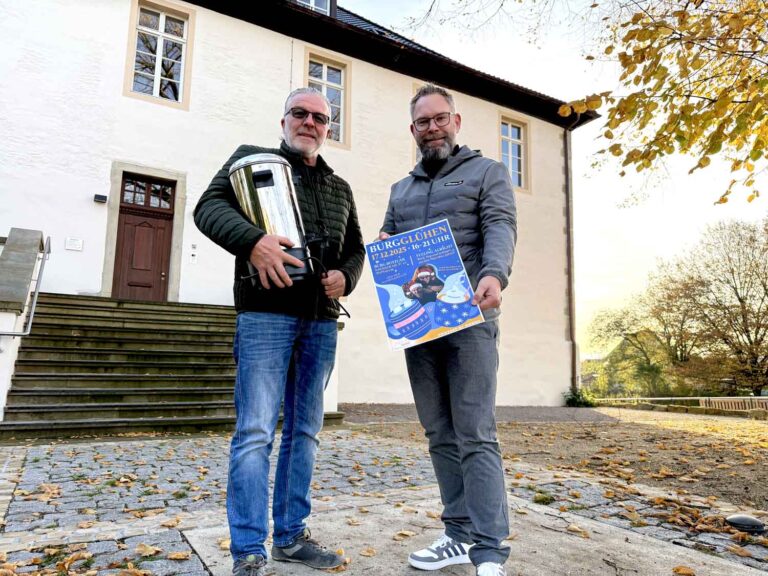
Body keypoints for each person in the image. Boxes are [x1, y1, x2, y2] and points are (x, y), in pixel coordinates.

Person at [194, 87, 365, 576]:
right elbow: (207, 209)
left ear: (327, 129)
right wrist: (253, 242)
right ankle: (249, 549)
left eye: (320, 118)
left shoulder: (340, 188)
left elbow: (356, 249)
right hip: (265, 315)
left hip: (320, 321)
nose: (310, 123)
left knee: (305, 432)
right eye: (300, 113)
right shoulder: (251, 161)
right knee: (254, 433)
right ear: (284, 119)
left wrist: (346, 277)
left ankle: (291, 537)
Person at [380, 84, 517, 576]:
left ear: (456, 123)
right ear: (413, 130)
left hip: (471, 317)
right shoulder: (401, 190)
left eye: (440, 119)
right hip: (420, 324)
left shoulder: (488, 172)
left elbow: (500, 225)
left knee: (475, 432)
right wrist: (383, 246)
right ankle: (457, 534)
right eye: (423, 122)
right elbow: (389, 240)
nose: (432, 128)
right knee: (439, 431)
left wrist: (493, 274)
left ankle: (488, 548)